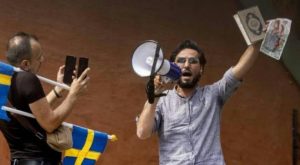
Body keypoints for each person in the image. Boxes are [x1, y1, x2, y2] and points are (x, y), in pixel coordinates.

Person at [136, 39, 260, 165]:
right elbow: (142, 132)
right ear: (172, 66)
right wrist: (154, 98)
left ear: (201, 69)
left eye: (193, 61)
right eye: (181, 60)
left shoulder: (213, 94)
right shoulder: (161, 101)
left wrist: (256, 43)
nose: (186, 65)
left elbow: (239, 70)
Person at [0, 32, 90, 165]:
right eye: (38, 57)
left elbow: (35, 112)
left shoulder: (5, 81)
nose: (42, 59)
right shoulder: (27, 79)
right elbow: (49, 123)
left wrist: (58, 90)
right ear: (26, 64)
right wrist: (73, 94)